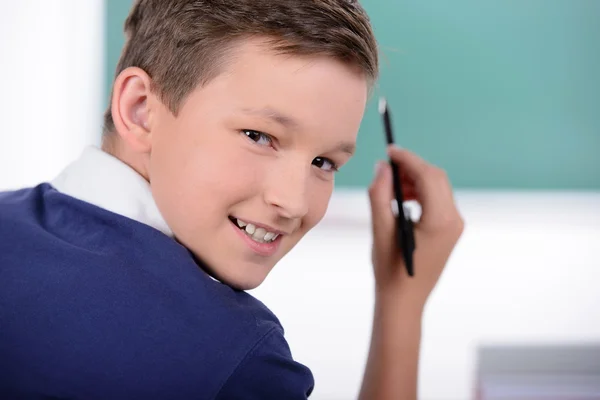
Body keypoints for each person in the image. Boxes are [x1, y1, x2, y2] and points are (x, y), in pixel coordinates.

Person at [0, 0, 464, 399]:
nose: (294, 201)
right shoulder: (237, 357)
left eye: (323, 163)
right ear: (140, 109)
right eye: (259, 136)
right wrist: (402, 305)